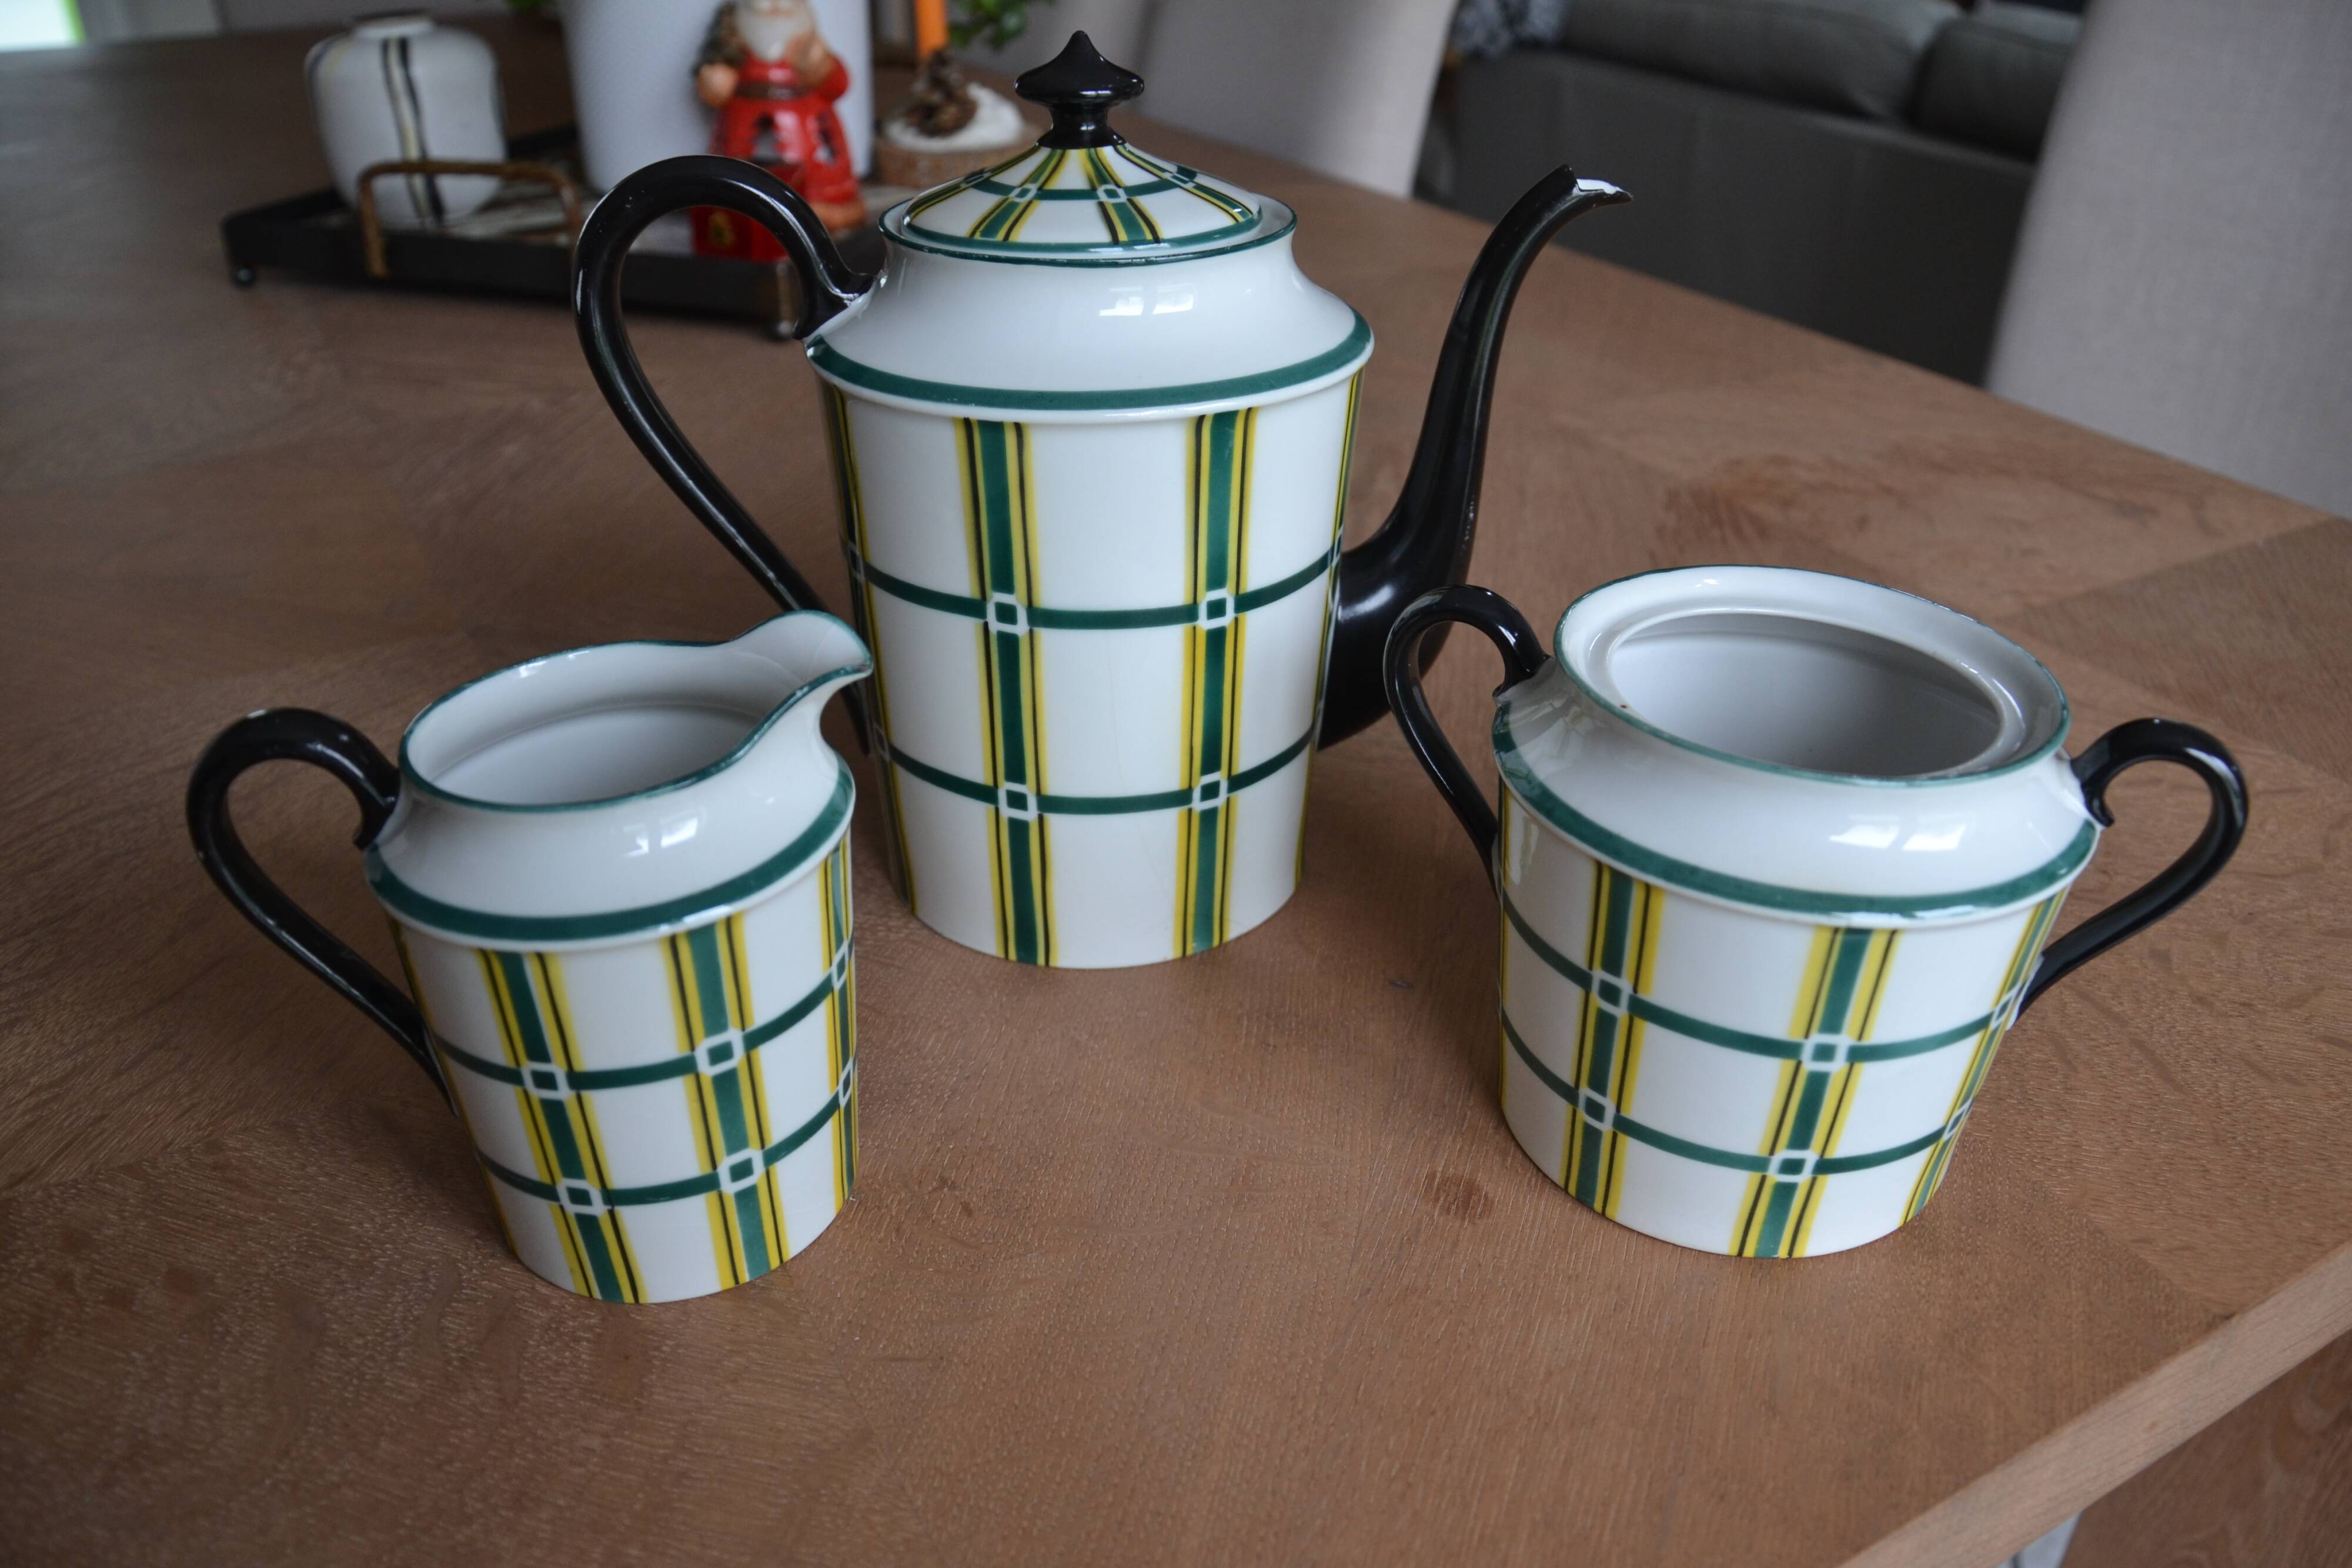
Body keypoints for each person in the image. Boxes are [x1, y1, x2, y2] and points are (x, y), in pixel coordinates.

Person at [695, 0, 866, 242]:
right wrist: (714, 83)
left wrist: (821, 66)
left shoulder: (809, 53)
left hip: (814, 154)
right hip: (743, 139)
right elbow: (714, 91)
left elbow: (839, 85)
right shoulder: (733, 49)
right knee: (743, 191)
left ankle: (824, 211)